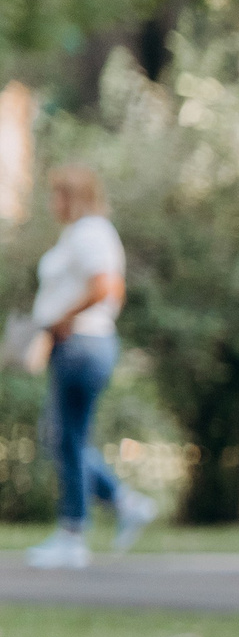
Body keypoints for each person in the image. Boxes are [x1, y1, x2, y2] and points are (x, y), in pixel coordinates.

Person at [24, 166, 154, 569]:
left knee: (68, 437)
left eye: (56, 197)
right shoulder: (77, 234)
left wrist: (63, 318)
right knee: (63, 438)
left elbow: (108, 287)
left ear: (73, 196)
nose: (51, 205)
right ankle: (122, 501)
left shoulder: (92, 233)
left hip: (83, 343)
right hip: (74, 344)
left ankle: (73, 534)